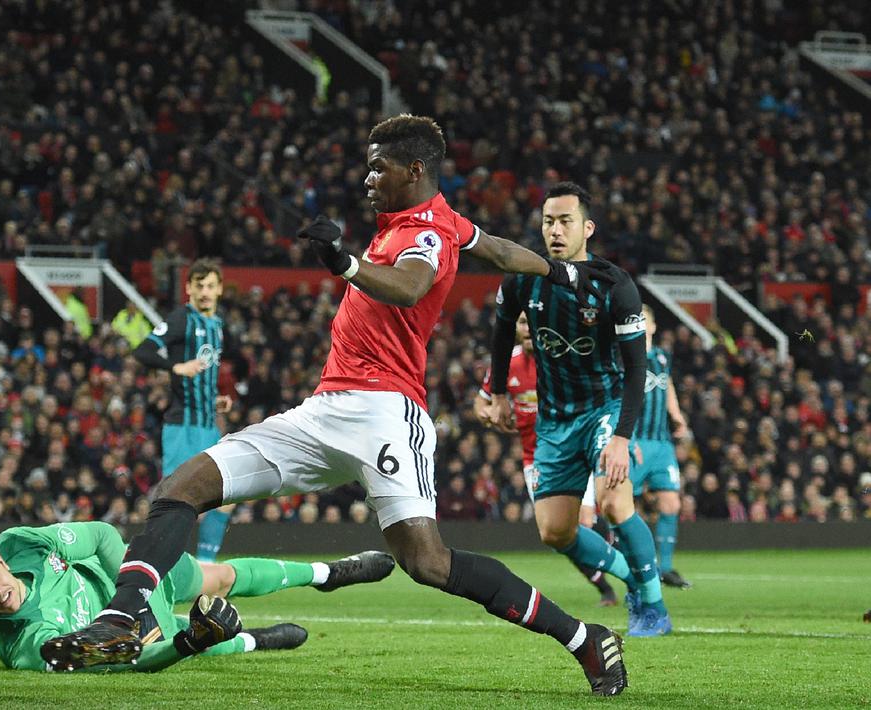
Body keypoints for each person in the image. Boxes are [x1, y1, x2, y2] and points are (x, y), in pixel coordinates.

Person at [43, 115, 627, 696]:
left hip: (386, 413)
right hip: (325, 408)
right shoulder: (438, 222)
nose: (367, 176)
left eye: (380, 166)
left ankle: (584, 637)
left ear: (415, 169)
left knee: (427, 563)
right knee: (179, 488)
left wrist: (343, 262)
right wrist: (558, 268)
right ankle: (122, 619)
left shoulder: (425, 232)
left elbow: (409, 286)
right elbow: (497, 249)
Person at [482, 182, 672, 638]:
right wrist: (500, 395)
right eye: (548, 221)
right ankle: (635, 575)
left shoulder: (614, 286)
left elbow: (635, 368)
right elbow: (502, 330)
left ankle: (653, 608)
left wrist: (622, 438)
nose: (555, 229)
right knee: (555, 533)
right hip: (555, 421)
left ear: (587, 228)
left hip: (604, 410)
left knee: (611, 502)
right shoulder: (522, 279)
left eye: (565, 220)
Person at [0, 521, 395, 672]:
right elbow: (128, 661)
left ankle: (328, 573)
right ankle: (258, 639)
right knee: (206, 634)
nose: (0, 591)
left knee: (219, 577)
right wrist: (185, 644)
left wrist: (135, 592)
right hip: (143, 632)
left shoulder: (21, 543)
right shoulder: (27, 645)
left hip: (135, 579)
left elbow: (100, 536)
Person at [475, 313, 619, 606]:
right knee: (556, 534)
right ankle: (606, 585)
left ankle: (626, 564)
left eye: (531, 322)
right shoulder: (506, 365)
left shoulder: (561, 358)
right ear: (515, 330)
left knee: (586, 519)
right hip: (535, 459)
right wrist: (488, 413)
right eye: (521, 323)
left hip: (574, 452)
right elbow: (481, 401)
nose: (527, 329)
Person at [133, 259, 241, 562]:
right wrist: (175, 366)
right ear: (188, 288)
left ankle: (205, 565)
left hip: (208, 425)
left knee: (226, 497)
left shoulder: (217, 326)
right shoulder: (182, 319)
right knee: (177, 502)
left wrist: (215, 400)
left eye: (210, 286)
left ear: (219, 289)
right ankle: (154, 563)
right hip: (182, 427)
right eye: (198, 286)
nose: (204, 292)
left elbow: (204, 375)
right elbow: (143, 351)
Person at [629, 304, 692, 589]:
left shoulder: (663, 358)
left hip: (662, 443)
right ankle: (635, 567)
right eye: (636, 321)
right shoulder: (625, 356)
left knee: (671, 502)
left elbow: (668, 388)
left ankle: (665, 567)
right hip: (634, 441)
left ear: (652, 327)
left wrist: (677, 416)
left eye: (644, 321)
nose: (641, 326)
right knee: (622, 506)